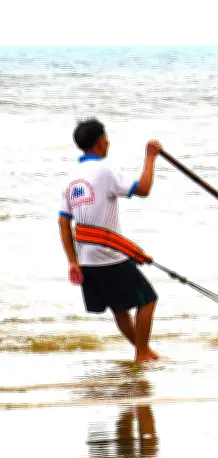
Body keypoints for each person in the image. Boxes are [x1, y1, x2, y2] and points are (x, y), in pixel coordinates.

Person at [58, 118, 161, 362]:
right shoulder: (105, 170)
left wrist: (72, 261)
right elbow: (143, 189)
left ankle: (145, 352)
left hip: (86, 259)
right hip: (108, 256)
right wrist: (150, 157)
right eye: (106, 138)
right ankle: (142, 354)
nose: (108, 142)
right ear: (101, 142)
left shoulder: (70, 178)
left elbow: (63, 222)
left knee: (120, 308)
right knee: (148, 300)